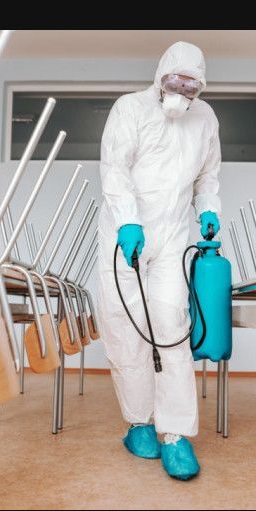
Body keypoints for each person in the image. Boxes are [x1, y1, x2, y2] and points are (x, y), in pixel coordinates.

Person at [95, 41, 222, 480]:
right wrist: (128, 222)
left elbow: (208, 175)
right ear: (160, 76)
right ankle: (138, 424)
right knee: (125, 328)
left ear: (200, 87)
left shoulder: (205, 118)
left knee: (171, 329)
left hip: (171, 239)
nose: (182, 89)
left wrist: (208, 208)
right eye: (176, 80)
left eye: (192, 84)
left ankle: (175, 433)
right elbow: (114, 168)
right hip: (124, 235)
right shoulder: (129, 108)